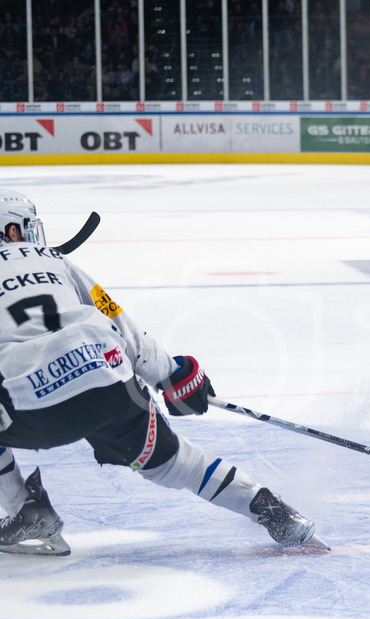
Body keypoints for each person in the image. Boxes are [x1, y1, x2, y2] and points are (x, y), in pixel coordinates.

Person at [0, 189, 327, 556]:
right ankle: (273, 511)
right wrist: (174, 376)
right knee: (175, 462)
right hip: (108, 380)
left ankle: (26, 510)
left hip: (33, 403)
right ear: (13, 230)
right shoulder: (55, 260)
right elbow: (121, 325)